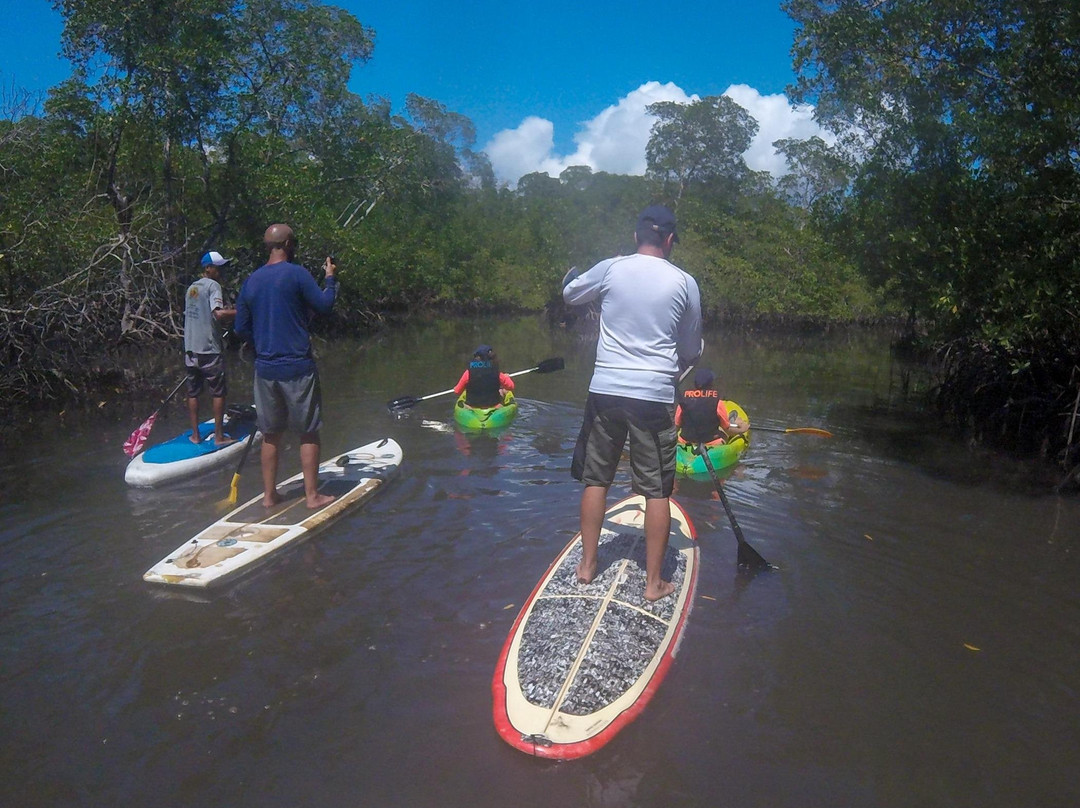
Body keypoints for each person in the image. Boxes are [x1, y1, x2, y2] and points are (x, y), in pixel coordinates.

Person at [563, 204, 703, 602]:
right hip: (653, 396)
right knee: (657, 490)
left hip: (605, 390)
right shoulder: (685, 282)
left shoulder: (611, 268)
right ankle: (654, 584)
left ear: (635, 236)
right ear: (670, 240)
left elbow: (571, 294)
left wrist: (573, 279)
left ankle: (588, 566)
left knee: (596, 478)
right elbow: (691, 350)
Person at [234, 224, 337, 509]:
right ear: (289, 243)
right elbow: (325, 305)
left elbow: (241, 326)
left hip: (265, 369)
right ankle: (312, 496)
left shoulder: (251, 281)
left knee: (270, 434)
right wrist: (330, 279)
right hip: (297, 368)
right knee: (308, 431)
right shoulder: (298, 274)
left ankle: (269, 496)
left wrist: (261, 344)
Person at [183, 250, 237, 447]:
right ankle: (219, 437)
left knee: (193, 392)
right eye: (218, 267)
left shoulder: (191, 288)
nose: (221, 271)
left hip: (190, 349)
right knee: (218, 392)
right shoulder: (213, 286)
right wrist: (242, 312)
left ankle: (195, 435)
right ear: (208, 268)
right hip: (209, 349)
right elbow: (218, 314)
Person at [675, 368, 747, 445]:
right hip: (710, 442)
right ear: (711, 384)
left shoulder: (683, 401)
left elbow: (676, 426)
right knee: (723, 434)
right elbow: (728, 430)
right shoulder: (717, 402)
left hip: (685, 441)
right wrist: (743, 429)